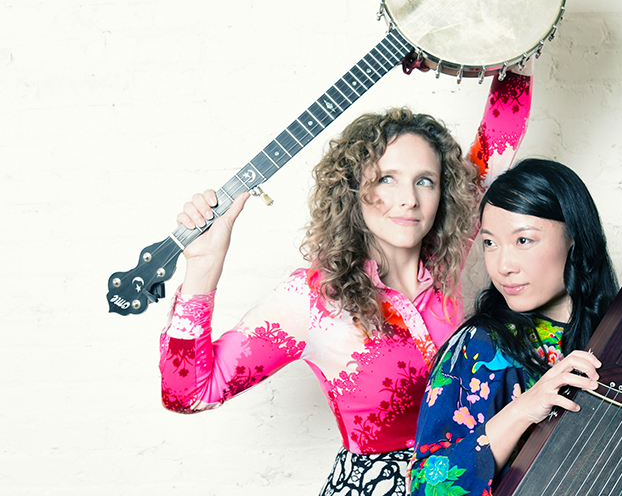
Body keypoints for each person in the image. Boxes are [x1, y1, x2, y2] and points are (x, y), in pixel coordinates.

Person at [158, 71, 532, 496]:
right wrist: (204, 269)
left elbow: (498, 144)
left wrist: (519, 38)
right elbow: (188, 393)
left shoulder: (449, 263)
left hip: (482, 478)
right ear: (353, 191)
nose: (408, 198)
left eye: (423, 181)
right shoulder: (311, 299)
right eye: (386, 178)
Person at [408, 158, 619, 496]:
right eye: (490, 243)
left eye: (523, 241)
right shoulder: (480, 345)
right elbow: (424, 488)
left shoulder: (620, 334)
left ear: (574, 238)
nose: (502, 265)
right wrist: (523, 409)